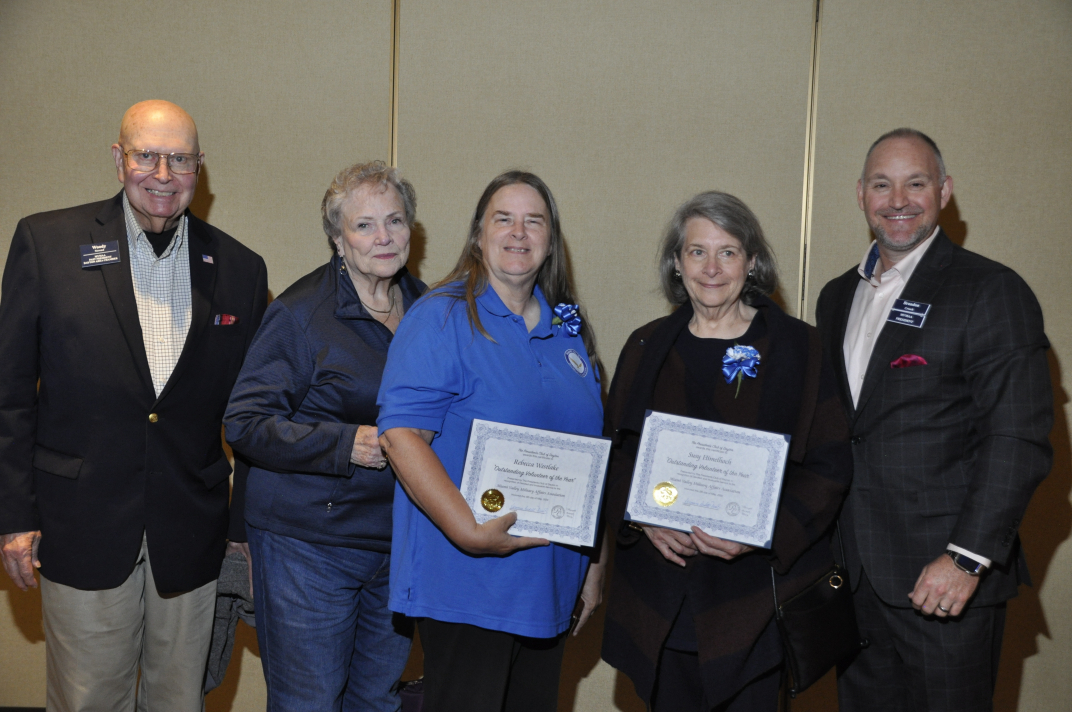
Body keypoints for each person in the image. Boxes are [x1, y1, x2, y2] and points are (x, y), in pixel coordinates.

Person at [0, 100, 268, 711]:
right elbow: (9, 393)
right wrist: (14, 515)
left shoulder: (241, 269)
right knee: (88, 699)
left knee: (179, 699)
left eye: (181, 159)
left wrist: (240, 529)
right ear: (119, 159)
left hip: (191, 533)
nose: (163, 174)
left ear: (200, 167)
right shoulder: (47, 243)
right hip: (80, 523)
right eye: (147, 155)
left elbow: (253, 417)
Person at [815, 128, 1053, 712]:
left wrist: (967, 558)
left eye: (915, 183)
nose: (897, 200)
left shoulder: (991, 290)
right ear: (860, 194)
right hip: (854, 580)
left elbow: (1018, 439)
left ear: (944, 192)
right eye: (882, 185)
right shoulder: (836, 297)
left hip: (945, 582)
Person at [600, 191, 853, 711]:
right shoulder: (646, 346)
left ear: (752, 262)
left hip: (755, 601)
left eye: (728, 252)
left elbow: (830, 466)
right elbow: (614, 454)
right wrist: (642, 516)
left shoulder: (800, 348)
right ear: (677, 262)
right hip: (662, 598)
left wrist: (763, 532)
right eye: (697, 252)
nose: (711, 268)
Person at [376, 171, 605, 712]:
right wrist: (468, 531)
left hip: (547, 587)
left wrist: (593, 565)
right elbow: (401, 437)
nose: (518, 232)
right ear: (479, 235)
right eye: (504, 219)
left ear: (551, 239)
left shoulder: (567, 330)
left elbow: (589, 455)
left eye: (534, 221)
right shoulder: (442, 316)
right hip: (466, 583)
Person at [223, 161, 424, 711]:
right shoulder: (300, 313)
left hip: (398, 543)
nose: (383, 237)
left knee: (376, 701)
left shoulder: (429, 309)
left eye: (395, 221)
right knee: (309, 702)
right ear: (338, 238)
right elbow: (244, 422)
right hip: (309, 547)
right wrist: (344, 444)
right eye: (364, 225)